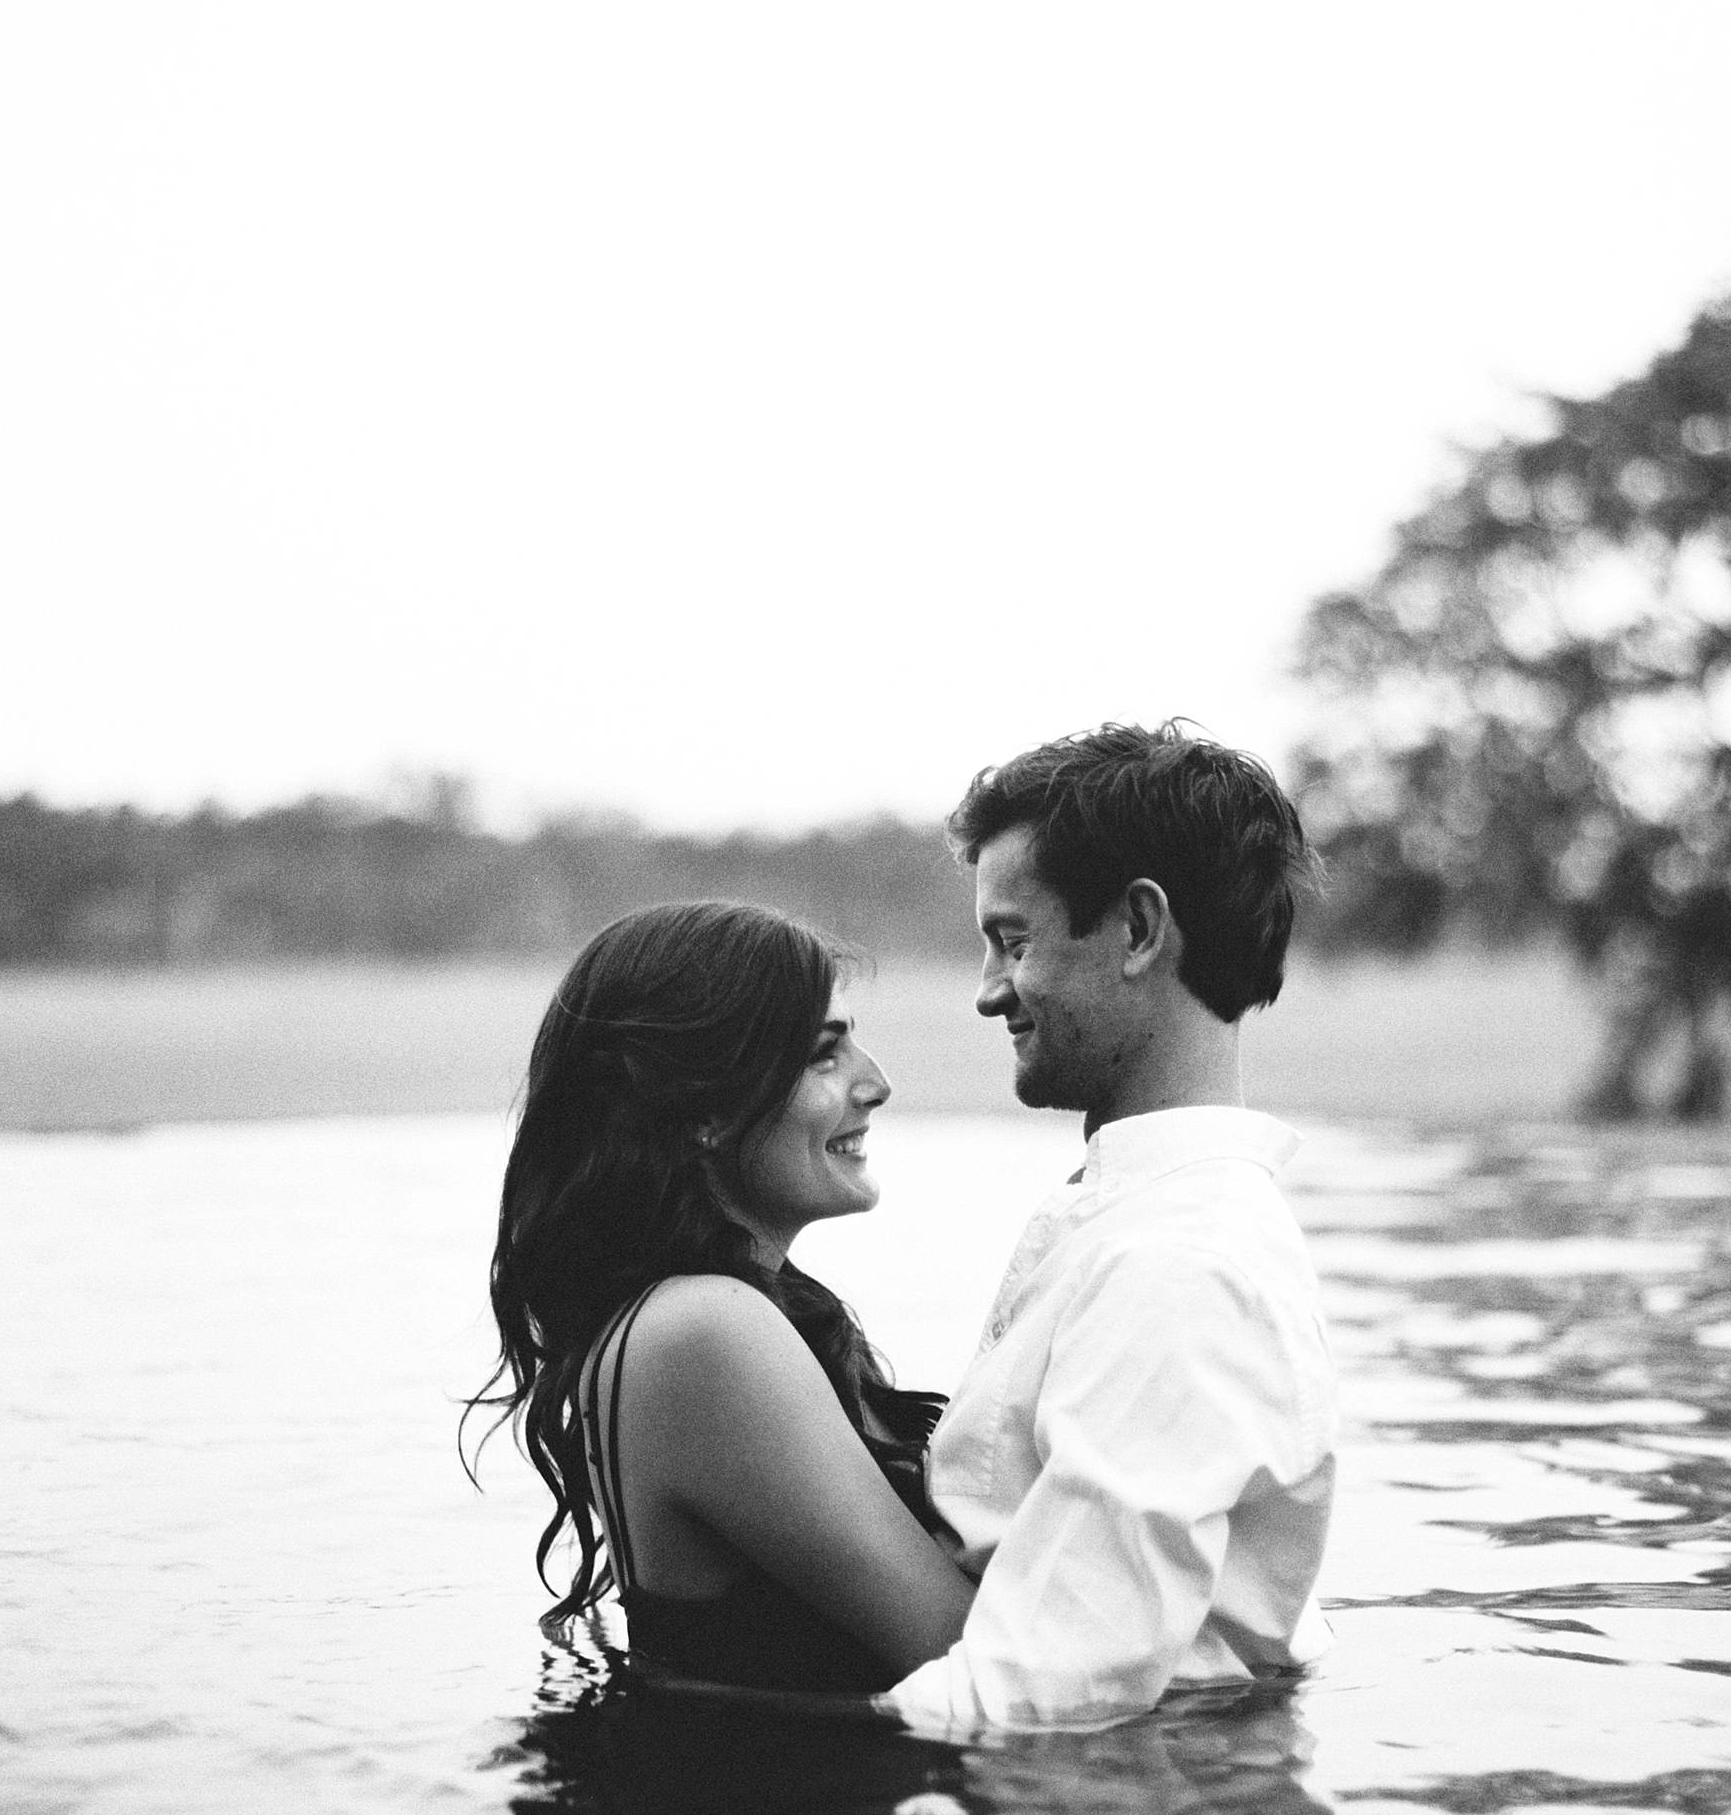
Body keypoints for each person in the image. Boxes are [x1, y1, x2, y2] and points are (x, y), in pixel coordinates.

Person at [881, 721, 1338, 1736]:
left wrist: (742, 1764)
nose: (989, 988)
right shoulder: (1142, 1215)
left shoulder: (1178, 1262)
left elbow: (1045, 1691)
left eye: (1014, 940)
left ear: (1137, 929)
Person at [478, 901, 975, 1695]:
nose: (877, 1083)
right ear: (705, 1109)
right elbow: (968, 1661)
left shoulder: (751, 1312)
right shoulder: (703, 1331)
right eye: (823, 1056)